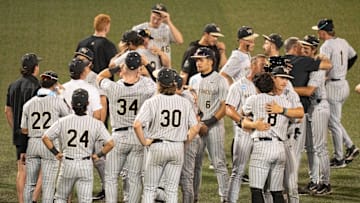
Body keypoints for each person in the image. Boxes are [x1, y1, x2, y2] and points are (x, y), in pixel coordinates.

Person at [133, 68, 203, 202]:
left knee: (149, 189)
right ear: (174, 84)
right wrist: (184, 142)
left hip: (157, 147)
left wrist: (144, 142)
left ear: (158, 84)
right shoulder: (184, 102)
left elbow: (137, 124)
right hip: (177, 148)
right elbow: (195, 127)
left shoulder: (152, 101)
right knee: (171, 190)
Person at [97, 52, 156, 203]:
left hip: (118, 137)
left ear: (124, 68)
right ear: (139, 68)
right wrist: (147, 64)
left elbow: (99, 77)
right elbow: (159, 81)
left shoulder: (113, 87)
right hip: (138, 136)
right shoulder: (147, 88)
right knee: (135, 177)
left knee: (110, 177)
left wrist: (116, 68)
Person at [42, 88, 114, 203]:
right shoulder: (96, 123)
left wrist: (56, 153)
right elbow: (110, 143)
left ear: (71, 104)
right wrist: (98, 155)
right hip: (85, 165)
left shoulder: (63, 121)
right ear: (88, 104)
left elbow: (45, 137)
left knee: (60, 198)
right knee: (85, 200)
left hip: (67, 164)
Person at [242, 71, 304, 203]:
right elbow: (298, 118)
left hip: (262, 147)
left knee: (257, 190)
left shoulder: (253, 99)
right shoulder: (284, 102)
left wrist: (254, 123)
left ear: (257, 87)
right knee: (277, 192)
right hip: (280, 148)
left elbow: (243, 116)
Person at [312, 18, 359, 167]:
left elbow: (325, 65)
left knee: (333, 123)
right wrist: (342, 70)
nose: (317, 33)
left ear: (323, 32)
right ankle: (351, 147)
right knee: (334, 120)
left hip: (333, 87)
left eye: (318, 31)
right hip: (343, 84)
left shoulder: (326, 46)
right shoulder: (343, 42)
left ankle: (339, 158)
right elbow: (354, 56)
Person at [21, 71, 71, 203]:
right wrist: (62, 94)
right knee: (48, 185)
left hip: (32, 144)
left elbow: (24, 129)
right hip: (50, 145)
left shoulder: (28, 104)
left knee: (29, 184)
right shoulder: (57, 101)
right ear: (54, 85)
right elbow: (69, 118)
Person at [188, 47, 229, 202]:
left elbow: (225, 106)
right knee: (195, 165)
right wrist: (198, 124)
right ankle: (193, 197)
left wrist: (209, 122)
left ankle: (225, 197)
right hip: (197, 127)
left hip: (215, 127)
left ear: (211, 61)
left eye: (201, 59)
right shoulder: (193, 79)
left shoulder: (220, 80)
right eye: (196, 60)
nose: (198, 63)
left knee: (218, 162)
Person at [225, 54, 267, 203]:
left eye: (266, 65)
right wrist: (242, 120)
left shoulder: (267, 85)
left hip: (262, 136)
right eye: (262, 65)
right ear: (252, 65)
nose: (265, 68)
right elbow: (229, 109)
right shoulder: (239, 85)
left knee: (263, 173)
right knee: (238, 171)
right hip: (244, 133)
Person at [5, 53, 42, 203]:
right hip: (34, 136)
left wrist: (16, 128)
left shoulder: (13, 85)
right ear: (35, 68)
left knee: (22, 170)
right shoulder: (37, 87)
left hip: (19, 136)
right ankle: (32, 200)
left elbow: (7, 110)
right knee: (41, 170)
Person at [298, 35, 332, 194]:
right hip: (310, 108)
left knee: (320, 147)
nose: (304, 50)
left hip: (319, 107)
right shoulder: (307, 64)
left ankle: (325, 183)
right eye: (302, 47)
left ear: (314, 50)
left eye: (307, 48)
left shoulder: (318, 67)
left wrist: (288, 89)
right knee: (310, 147)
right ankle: (314, 181)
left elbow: (309, 91)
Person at [74, 47, 108, 200]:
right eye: (77, 58)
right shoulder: (76, 77)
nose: (78, 61)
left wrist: (99, 126)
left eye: (81, 59)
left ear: (90, 63)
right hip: (78, 126)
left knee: (99, 160)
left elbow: (103, 102)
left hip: (93, 126)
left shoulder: (96, 78)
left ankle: (108, 188)